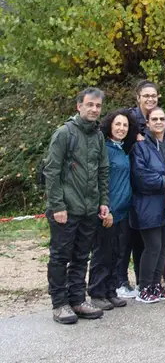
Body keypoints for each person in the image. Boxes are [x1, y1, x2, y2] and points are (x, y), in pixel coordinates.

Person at [44, 88, 110, 324]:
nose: (94, 109)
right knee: (61, 256)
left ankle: (77, 300)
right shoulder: (64, 134)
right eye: (90, 104)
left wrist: (103, 202)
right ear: (79, 106)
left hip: (89, 208)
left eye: (98, 106)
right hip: (66, 209)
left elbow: (103, 171)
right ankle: (60, 303)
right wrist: (57, 205)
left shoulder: (98, 136)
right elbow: (51, 172)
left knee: (82, 256)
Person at [130, 107, 165, 303]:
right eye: (154, 119)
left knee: (163, 247)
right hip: (148, 204)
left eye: (162, 118)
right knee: (152, 246)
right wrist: (163, 182)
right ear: (147, 123)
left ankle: (156, 284)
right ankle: (144, 286)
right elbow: (140, 175)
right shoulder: (141, 146)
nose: (159, 122)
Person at [87, 109, 138, 311]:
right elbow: (99, 181)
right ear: (110, 126)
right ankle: (97, 292)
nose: (121, 128)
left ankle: (110, 290)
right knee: (102, 253)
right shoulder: (105, 149)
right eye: (118, 124)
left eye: (125, 125)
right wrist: (104, 208)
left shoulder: (123, 150)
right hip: (108, 210)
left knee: (117, 253)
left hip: (123, 211)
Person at [120, 80, 158, 297]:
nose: (150, 99)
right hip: (128, 185)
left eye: (154, 95)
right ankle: (121, 280)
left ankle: (141, 280)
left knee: (143, 238)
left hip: (147, 188)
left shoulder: (158, 119)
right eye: (146, 96)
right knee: (126, 238)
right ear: (138, 97)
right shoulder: (129, 120)